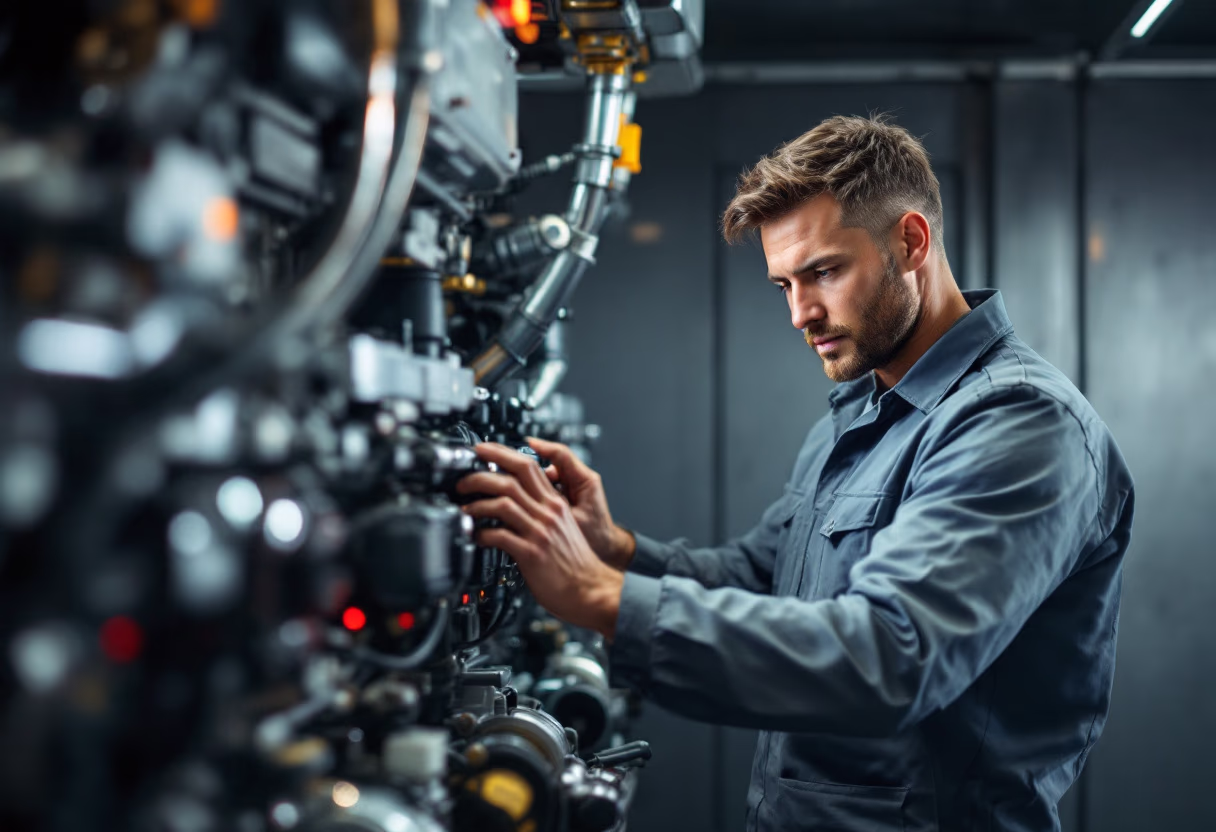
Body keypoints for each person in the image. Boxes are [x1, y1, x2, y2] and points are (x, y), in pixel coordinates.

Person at [456, 115, 1134, 832]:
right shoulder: (860, 413)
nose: (800, 313)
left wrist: (602, 597)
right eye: (783, 284)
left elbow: (891, 658)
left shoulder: (1018, 422)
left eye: (824, 272)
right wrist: (614, 551)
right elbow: (761, 578)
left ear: (911, 242)